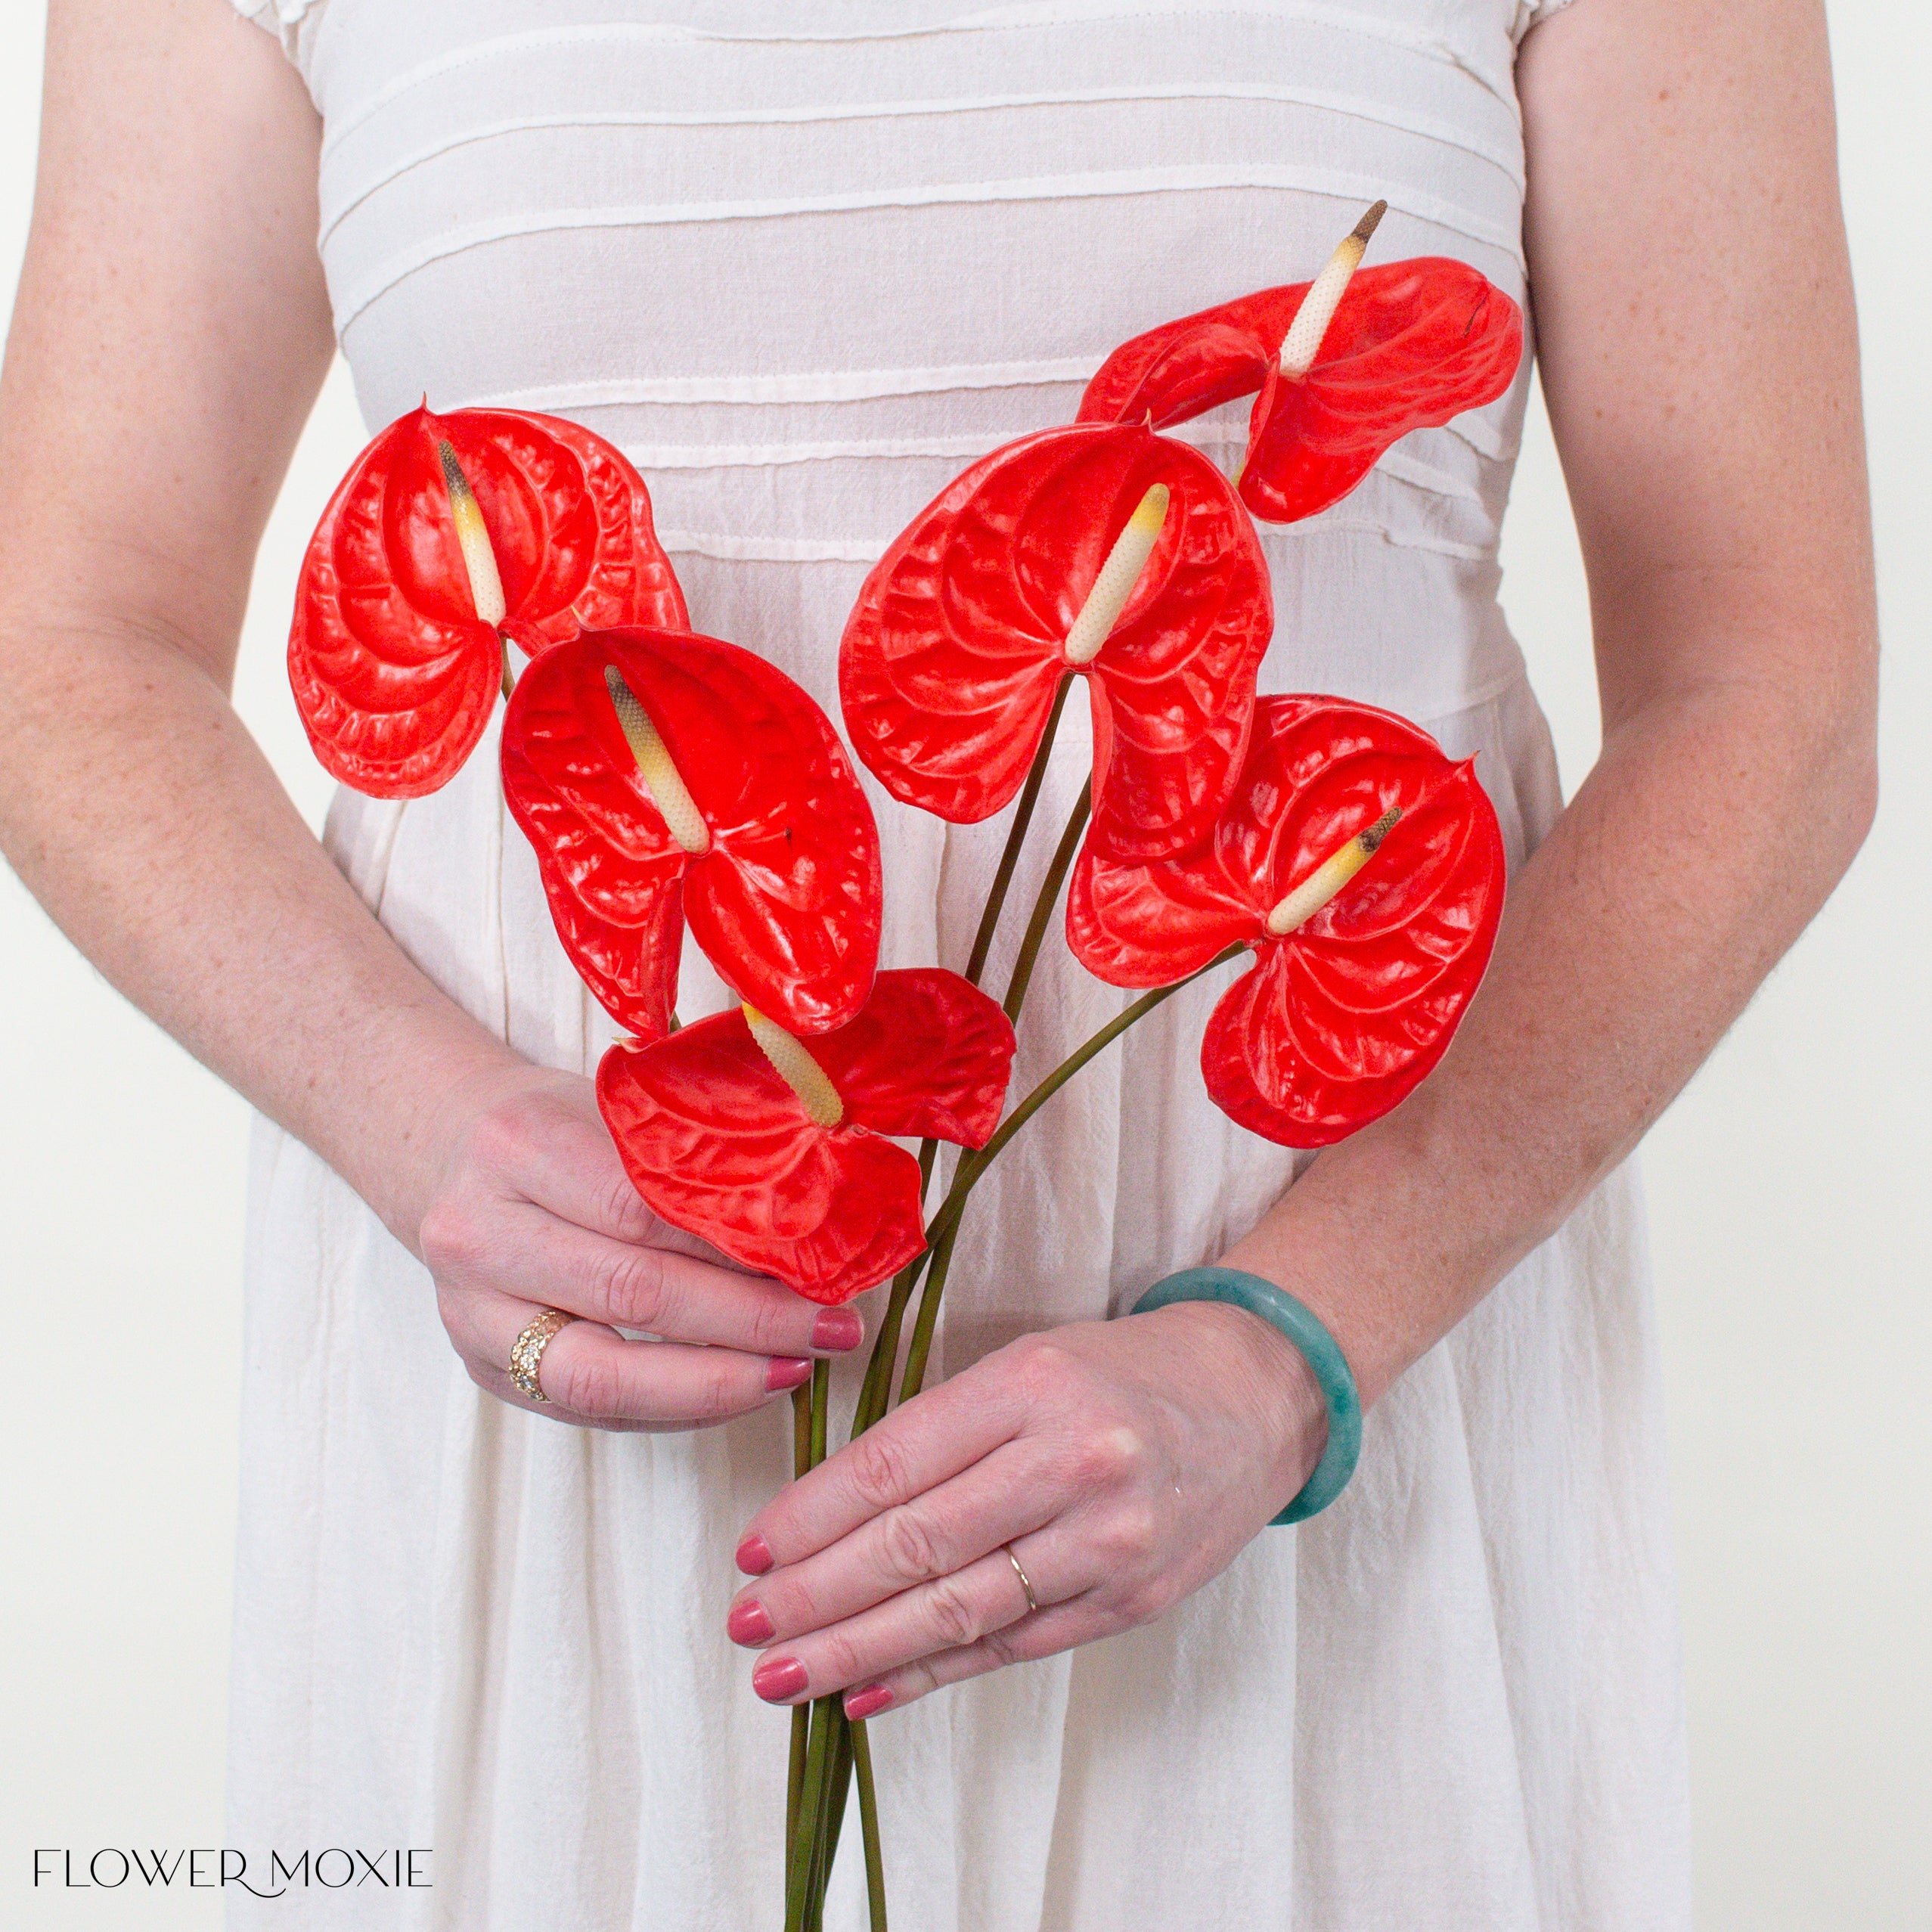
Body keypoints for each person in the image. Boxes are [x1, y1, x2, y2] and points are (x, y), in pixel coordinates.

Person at [0, 0, 1875, 1925]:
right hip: (600, 1347)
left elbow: (1767, 689)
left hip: (1312, 1344)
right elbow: (66, 639)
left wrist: (1292, 1348)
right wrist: (423, 1132)